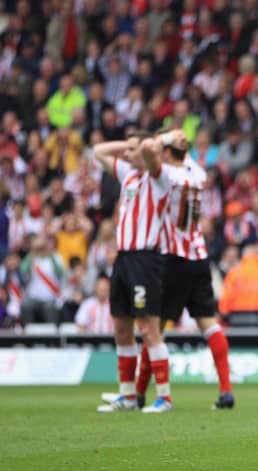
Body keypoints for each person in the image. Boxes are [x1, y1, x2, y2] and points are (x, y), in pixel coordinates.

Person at [137, 129, 234, 411]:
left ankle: (139, 392)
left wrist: (163, 139)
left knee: (154, 328)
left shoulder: (166, 176)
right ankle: (226, 391)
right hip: (199, 256)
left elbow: (149, 155)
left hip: (173, 257)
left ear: (166, 152)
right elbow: (184, 158)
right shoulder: (198, 174)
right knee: (209, 324)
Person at [92, 131, 175, 413]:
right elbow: (98, 151)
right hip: (124, 259)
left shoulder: (160, 178)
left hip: (145, 259)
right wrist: (128, 145)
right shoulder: (128, 174)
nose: (126, 155)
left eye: (132, 150)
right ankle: (127, 396)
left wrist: (148, 144)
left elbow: (153, 151)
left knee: (149, 328)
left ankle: (164, 396)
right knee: (121, 328)